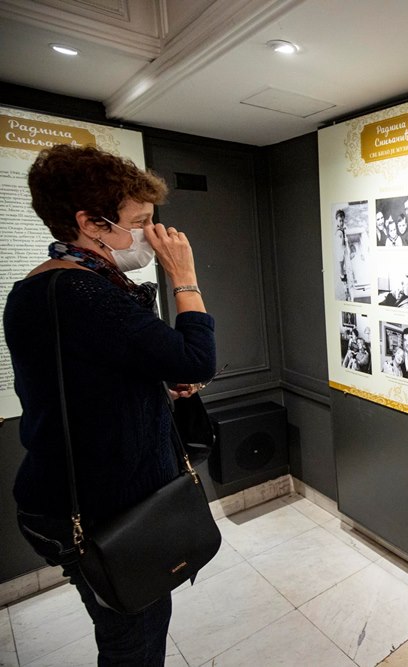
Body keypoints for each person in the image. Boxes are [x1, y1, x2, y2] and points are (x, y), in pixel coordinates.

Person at [3, 144, 216, 664]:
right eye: (140, 222)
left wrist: (153, 386)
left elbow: (88, 382)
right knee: (135, 635)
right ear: (90, 223)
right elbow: (197, 360)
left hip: (76, 495)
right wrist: (184, 277)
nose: (153, 235)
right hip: (104, 510)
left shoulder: (41, 288)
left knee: (132, 620)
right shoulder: (83, 293)